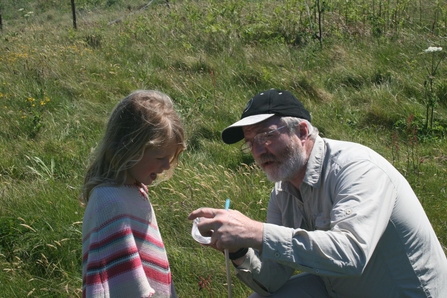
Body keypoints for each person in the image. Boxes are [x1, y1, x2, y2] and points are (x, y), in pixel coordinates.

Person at [188, 89, 447, 297]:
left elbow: (351, 255)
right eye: (250, 141)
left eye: (266, 135)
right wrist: (239, 250)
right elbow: (273, 279)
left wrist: (256, 232)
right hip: (338, 288)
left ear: (301, 131)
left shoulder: (358, 169)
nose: (258, 150)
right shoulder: (283, 190)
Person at [81, 90, 186, 298]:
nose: (166, 165)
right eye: (160, 157)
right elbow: (120, 284)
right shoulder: (109, 202)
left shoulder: (135, 191)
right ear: (129, 148)